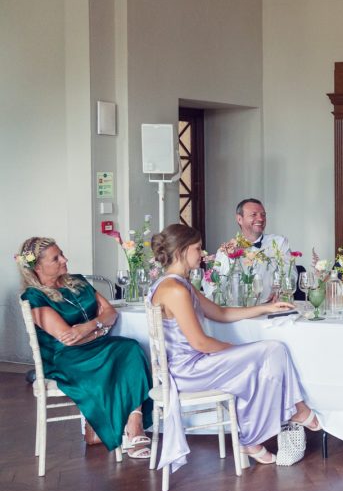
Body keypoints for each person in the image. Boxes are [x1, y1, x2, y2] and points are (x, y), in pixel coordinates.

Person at [149, 224, 321, 466]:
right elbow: (200, 342)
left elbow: (220, 313)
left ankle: (265, 431)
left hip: (193, 365)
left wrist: (265, 308)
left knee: (265, 357)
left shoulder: (179, 284)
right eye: (197, 248)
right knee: (273, 350)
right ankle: (291, 413)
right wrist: (235, 350)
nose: (202, 254)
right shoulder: (175, 290)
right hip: (188, 371)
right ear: (181, 251)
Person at [16, 237, 153, 457]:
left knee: (131, 348)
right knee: (117, 356)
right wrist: (99, 329)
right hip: (65, 357)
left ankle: (134, 424)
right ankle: (105, 426)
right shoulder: (34, 296)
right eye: (56, 258)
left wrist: (89, 327)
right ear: (38, 267)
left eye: (62, 253)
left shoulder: (78, 281)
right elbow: (68, 339)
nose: (64, 259)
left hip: (95, 346)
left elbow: (110, 313)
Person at [210, 198, 292, 302]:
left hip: (270, 305)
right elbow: (215, 285)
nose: (261, 219)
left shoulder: (279, 243)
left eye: (263, 215)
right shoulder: (225, 251)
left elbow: (290, 274)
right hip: (238, 308)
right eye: (254, 215)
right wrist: (230, 257)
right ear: (239, 219)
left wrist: (282, 291)